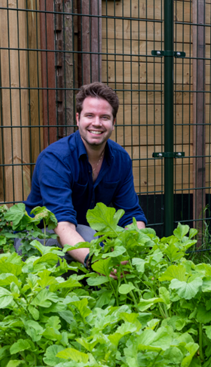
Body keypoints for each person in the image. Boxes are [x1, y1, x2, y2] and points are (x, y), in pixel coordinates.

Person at [24, 82, 147, 264]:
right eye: (89, 115)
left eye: (104, 117)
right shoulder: (55, 159)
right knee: (93, 240)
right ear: (77, 119)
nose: (96, 123)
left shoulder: (120, 159)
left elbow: (131, 215)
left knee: (110, 241)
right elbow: (63, 225)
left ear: (113, 122)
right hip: (40, 236)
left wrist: (134, 247)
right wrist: (97, 261)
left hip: (87, 235)